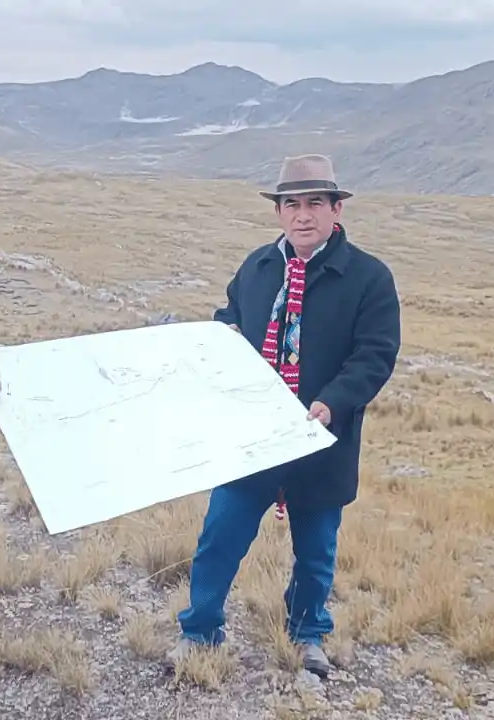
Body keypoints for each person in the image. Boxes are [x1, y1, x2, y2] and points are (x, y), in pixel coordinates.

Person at [170, 153, 402, 679]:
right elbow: (231, 315)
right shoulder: (257, 267)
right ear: (278, 212)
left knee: (315, 553)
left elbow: (374, 354)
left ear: (336, 209)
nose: (302, 215)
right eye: (291, 204)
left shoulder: (368, 277)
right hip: (250, 438)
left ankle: (307, 635)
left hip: (321, 439)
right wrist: (221, 337)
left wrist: (332, 402)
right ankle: (200, 629)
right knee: (218, 539)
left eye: (315, 203)